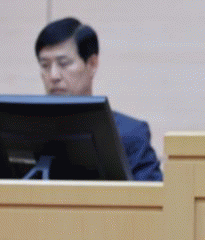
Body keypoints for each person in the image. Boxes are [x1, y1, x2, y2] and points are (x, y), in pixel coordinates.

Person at [35, 17, 162, 181]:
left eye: (64, 63)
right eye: (45, 65)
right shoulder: (29, 132)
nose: (53, 76)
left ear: (92, 64)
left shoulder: (130, 135)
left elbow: (153, 196)